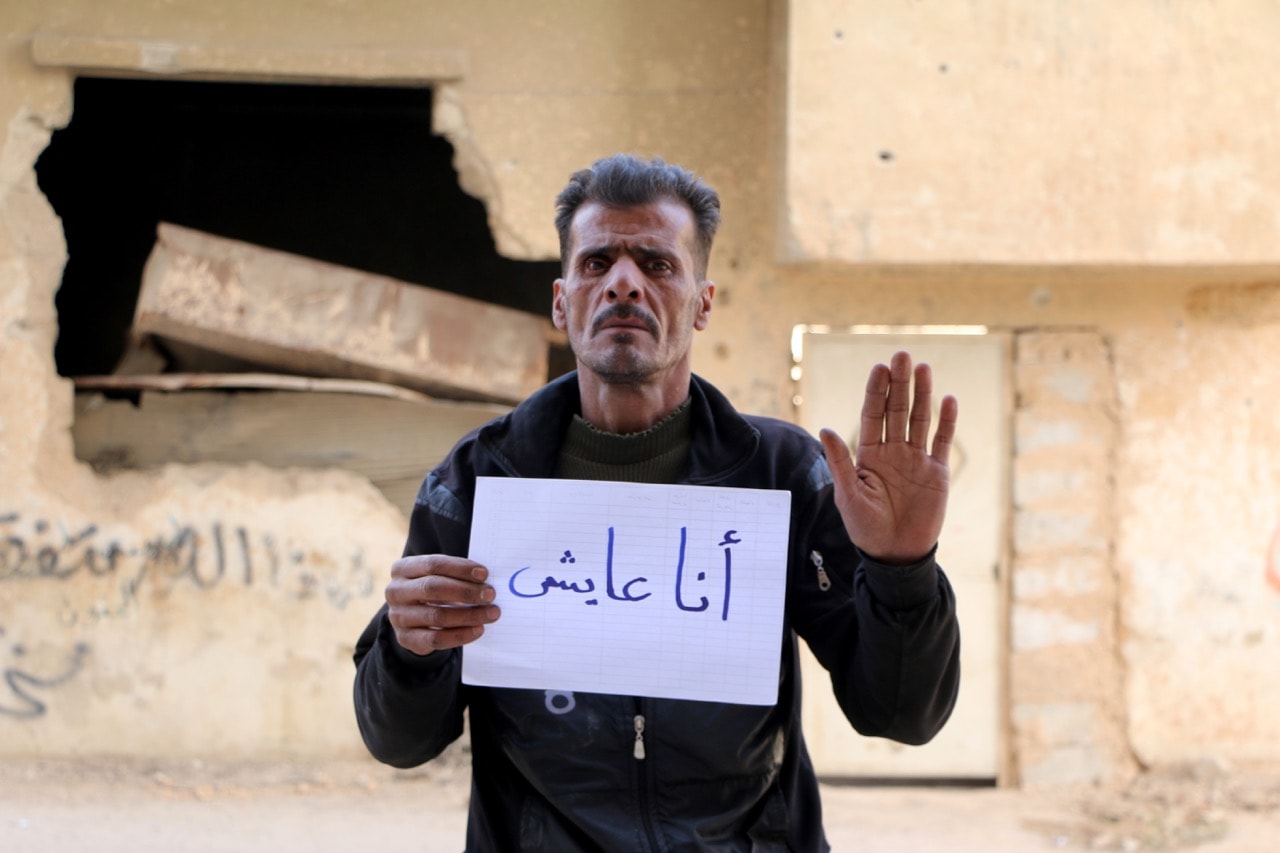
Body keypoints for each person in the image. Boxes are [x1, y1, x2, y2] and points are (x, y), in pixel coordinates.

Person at [353, 154, 961, 851]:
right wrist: (408, 649)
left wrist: (903, 568)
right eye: (596, 263)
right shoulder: (479, 480)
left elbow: (901, 715)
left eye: (656, 263)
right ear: (561, 301)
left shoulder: (781, 475)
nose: (622, 284)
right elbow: (398, 740)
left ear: (702, 302)